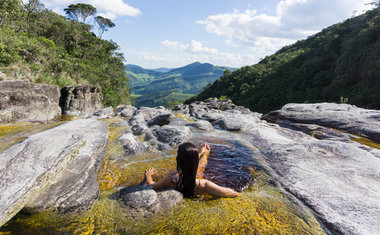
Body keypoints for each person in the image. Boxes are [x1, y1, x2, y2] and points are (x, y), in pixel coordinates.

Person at [144, 142, 238, 198]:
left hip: (180, 178)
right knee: (201, 166)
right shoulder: (204, 185)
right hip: (196, 181)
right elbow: (229, 193)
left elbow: (153, 186)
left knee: (197, 166)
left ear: (178, 161)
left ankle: (202, 153)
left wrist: (148, 175)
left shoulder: (169, 180)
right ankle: (204, 153)